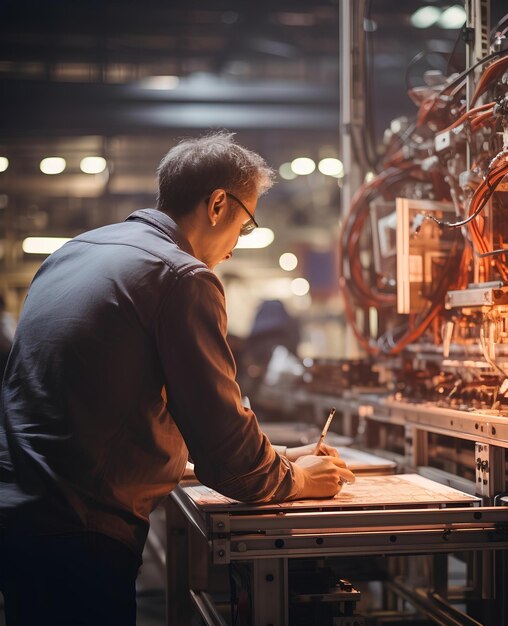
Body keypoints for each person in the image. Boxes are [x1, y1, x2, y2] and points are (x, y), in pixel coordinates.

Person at [0, 132, 355, 626]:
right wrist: (296, 479)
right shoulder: (182, 276)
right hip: (81, 533)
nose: (235, 248)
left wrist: (275, 455)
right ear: (217, 205)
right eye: (246, 224)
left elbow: (106, 405)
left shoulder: (73, 253)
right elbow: (228, 458)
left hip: (20, 514)